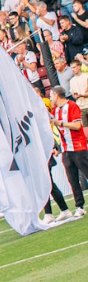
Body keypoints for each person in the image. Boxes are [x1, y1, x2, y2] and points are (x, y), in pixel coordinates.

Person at [49, 86, 88, 218]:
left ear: (57, 95)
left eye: (51, 96)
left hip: (78, 147)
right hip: (66, 150)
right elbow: (57, 131)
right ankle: (79, 206)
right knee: (72, 180)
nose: (50, 98)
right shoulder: (55, 110)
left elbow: (77, 125)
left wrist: (60, 123)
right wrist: (56, 147)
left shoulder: (71, 106)